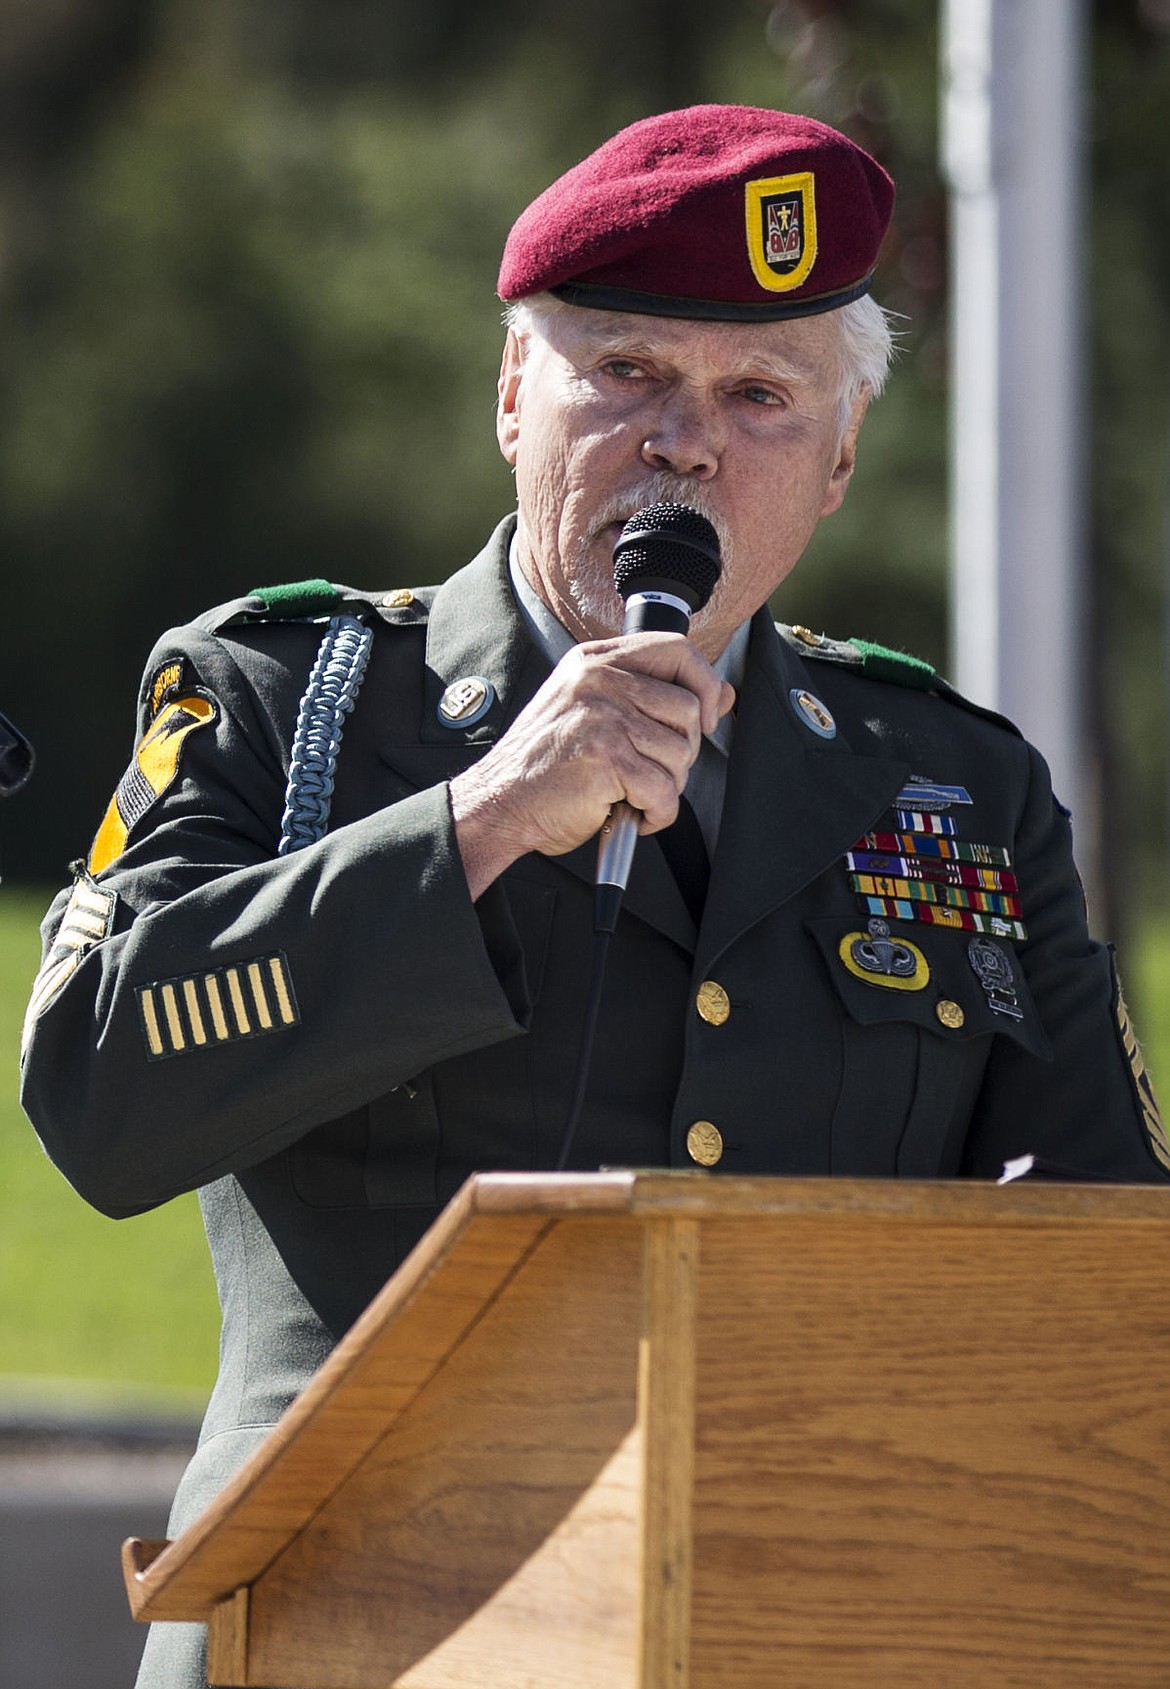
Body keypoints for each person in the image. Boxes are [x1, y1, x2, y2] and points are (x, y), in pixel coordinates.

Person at [20, 105, 1170, 1688]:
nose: (684, 439)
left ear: (836, 464)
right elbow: (98, 1091)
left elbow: (1109, 1270)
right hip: (349, 1626)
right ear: (511, 396)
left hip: (813, 1626)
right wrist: (480, 820)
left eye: (757, 394)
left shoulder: (952, 786)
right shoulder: (287, 704)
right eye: (624, 371)